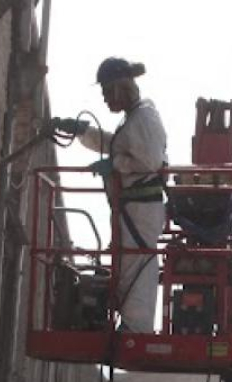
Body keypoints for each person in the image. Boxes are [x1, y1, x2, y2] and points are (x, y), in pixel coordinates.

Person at [53, 57, 168, 332]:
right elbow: (117, 145)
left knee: (136, 265)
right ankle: (131, 324)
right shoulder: (134, 118)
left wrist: (114, 165)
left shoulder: (144, 118)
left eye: (107, 92)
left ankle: (135, 327)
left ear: (120, 87)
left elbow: (149, 161)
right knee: (129, 264)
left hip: (140, 207)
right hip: (132, 207)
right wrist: (83, 131)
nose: (105, 99)